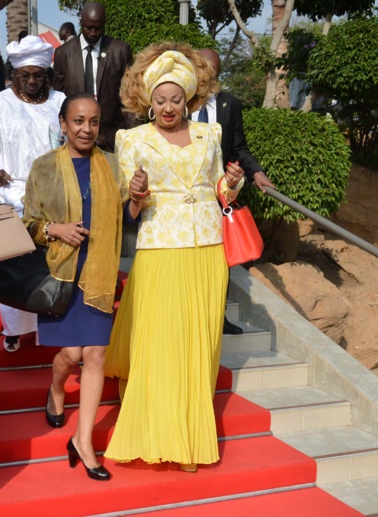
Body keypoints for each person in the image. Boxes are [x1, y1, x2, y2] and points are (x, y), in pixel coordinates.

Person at [104, 43, 246, 472]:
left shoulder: (211, 135)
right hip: (160, 248)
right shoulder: (132, 139)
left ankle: (189, 435)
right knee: (163, 344)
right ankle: (164, 434)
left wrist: (234, 184)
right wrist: (137, 192)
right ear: (149, 100)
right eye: (161, 99)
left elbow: (220, 193)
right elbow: (131, 211)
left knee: (199, 345)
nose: (168, 107)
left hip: (207, 249)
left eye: (176, 99)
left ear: (189, 99)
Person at [23, 92, 142, 481]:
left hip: (100, 274)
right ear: (63, 124)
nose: (86, 128)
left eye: (93, 121)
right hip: (61, 274)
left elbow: (125, 216)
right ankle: (56, 388)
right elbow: (27, 224)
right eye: (77, 121)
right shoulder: (43, 168)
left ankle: (83, 441)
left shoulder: (111, 165)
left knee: (94, 356)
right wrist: (54, 229)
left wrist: (137, 199)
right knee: (71, 354)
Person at [0, 35, 65, 353]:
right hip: (10, 194)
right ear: (14, 75)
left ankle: (48, 327)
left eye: (37, 75)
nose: (30, 81)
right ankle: (14, 329)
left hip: (52, 197)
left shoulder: (59, 102)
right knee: (14, 268)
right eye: (24, 75)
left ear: (46, 75)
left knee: (47, 265)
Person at [195, 47, 275, 335]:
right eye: (202, 69)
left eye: (213, 71)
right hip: (188, 194)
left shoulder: (230, 103)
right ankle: (192, 316)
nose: (207, 76)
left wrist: (257, 173)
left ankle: (218, 317)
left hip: (219, 192)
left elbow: (238, 147)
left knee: (220, 257)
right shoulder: (180, 102)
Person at [53, 2, 133, 152]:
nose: (94, 32)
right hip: (76, 140)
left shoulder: (120, 50)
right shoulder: (63, 54)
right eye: (89, 28)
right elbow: (59, 98)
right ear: (81, 23)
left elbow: (130, 97)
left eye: (98, 28)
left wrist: (132, 136)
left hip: (112, 139)